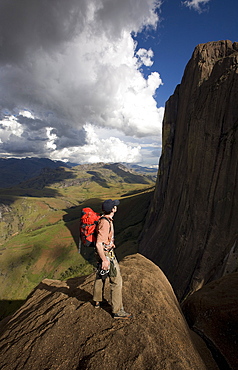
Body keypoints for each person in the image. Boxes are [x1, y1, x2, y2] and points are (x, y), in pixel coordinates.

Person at [93, 199, 132, 319]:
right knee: (116, 281)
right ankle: (117, 311)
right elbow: (99, 243)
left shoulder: (104, 219)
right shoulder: (105, 223)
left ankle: (97, 300)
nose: (116, 207)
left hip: (102, 253)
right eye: (115, 206)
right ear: (113, 209)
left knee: (101, 275)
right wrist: (105, 259)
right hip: (106, 255)